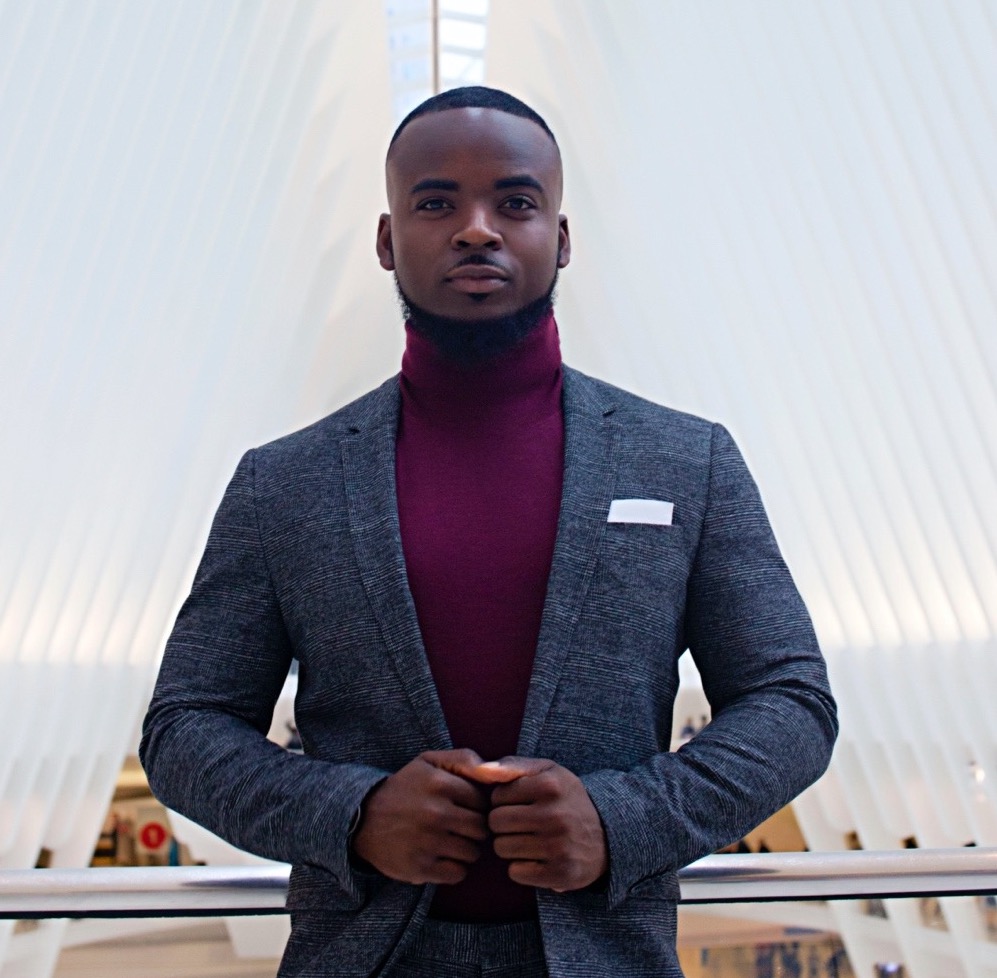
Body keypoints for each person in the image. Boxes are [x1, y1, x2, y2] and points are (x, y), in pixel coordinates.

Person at [140, 86, 837, 978]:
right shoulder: (284, 483)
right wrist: (351, 814)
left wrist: (622, 819)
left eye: (514, 202)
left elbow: (791, 702)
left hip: (604, 956)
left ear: (563, 236)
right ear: (389, 240)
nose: (476, 228)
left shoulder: (685, 461)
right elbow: (185, 728)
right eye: (436, 202)